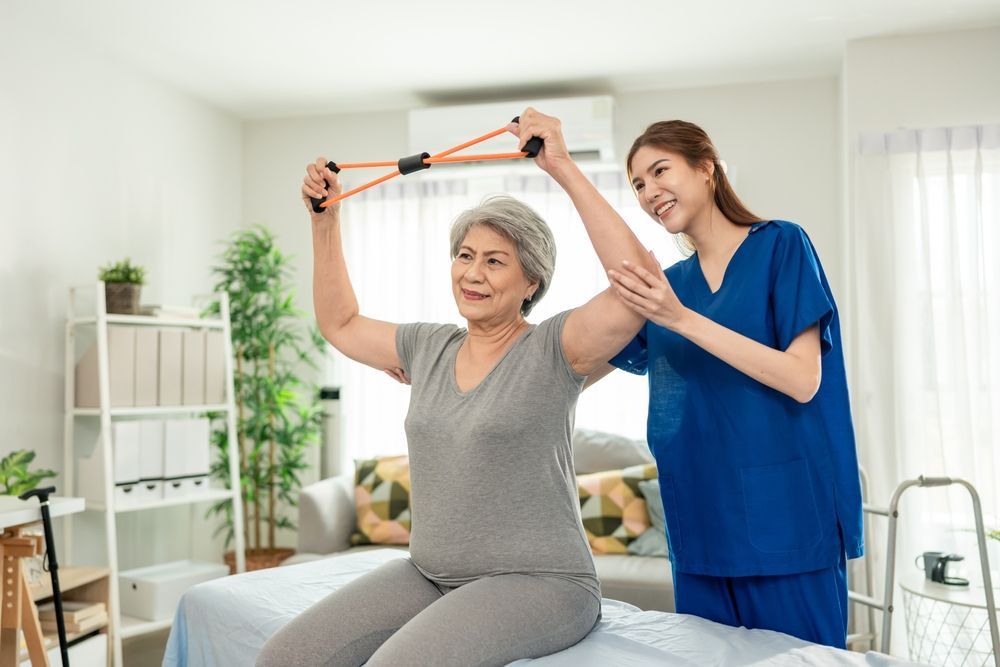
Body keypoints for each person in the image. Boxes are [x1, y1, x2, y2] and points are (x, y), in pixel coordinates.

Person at [255, 112, 655, 666]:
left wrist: (561, 166)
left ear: (530, 283)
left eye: (495, 262)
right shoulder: (429, 346)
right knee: (284, 658)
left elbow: (639, 283)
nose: (473, 273)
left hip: (541, 581)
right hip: (429, 574)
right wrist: (325, 220)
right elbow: (341, 324)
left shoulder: (554, 349)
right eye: (465, 256)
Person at [589, 119, 863, 648]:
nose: (649, 192)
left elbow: (802, 378)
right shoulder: (670, 287)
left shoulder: (781, 245)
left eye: (659, 170)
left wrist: (681, 318)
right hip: (700, 524)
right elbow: (583, 363)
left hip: (787, 520)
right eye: (638, 185)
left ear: (706, 168)